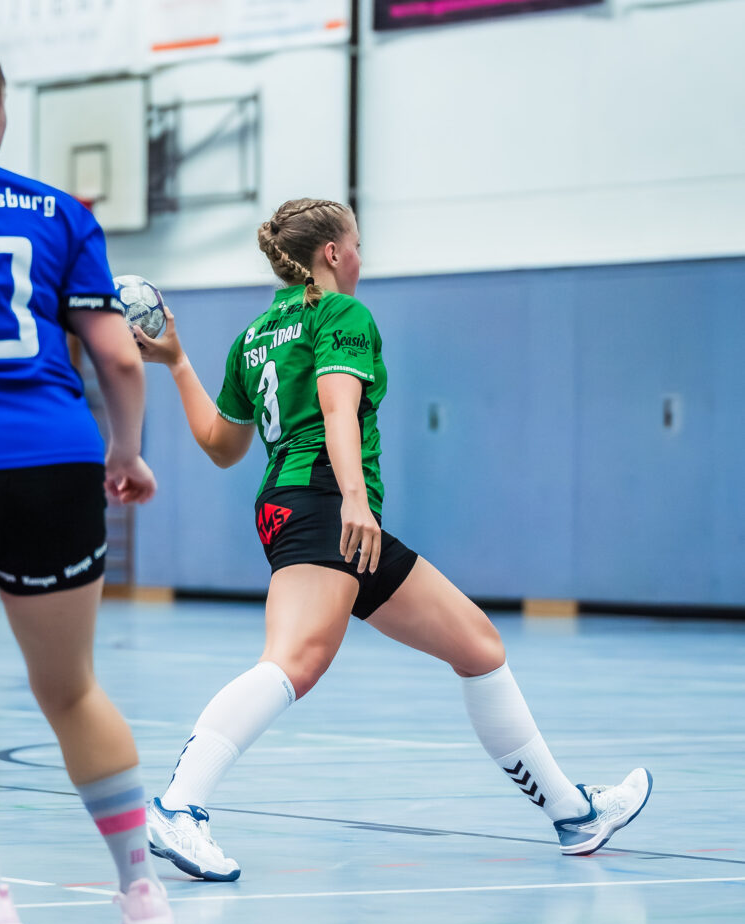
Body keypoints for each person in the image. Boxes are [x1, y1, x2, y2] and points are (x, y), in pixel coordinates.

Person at [136, 197, 653, 882]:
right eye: (356, 244)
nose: (361, 257)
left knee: (477, 646)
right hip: (325, 502)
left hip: (306, 505)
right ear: (332, 253)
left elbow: (220, 445)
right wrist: (354, 498)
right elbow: (337, 408)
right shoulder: (340, 314)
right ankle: (179, 806)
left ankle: (573, 814)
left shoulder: (253, 337)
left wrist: (177, 362)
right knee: (295, 660)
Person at [0, 33, 176, 924]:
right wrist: (126, 453)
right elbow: (117, 357)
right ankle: (142, 892)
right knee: (71, 688)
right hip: (54, 458)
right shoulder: (58, 210)